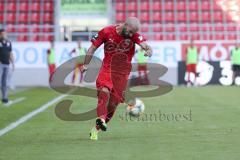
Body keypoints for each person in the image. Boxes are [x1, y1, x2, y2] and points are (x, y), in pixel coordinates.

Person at [80, 17, 152, 140]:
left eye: (132, 33)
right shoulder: (106, 32)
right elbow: (92, 48)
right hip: (107, 69)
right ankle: (101, 119)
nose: (130, 35)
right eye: (129, 31)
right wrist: (86, 64)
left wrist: (148, 50)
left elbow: (145, 45)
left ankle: (95, 130)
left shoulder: (134, 36)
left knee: (113, 105)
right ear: (125, 24)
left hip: (122, 74)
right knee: (104, 92)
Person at [0, 29, 14, 105]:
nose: (4, 35)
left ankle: (4, 98)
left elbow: (10, 53)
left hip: (7, 64)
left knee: (5, 82)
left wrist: (13, 63)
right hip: (0, 64)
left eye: (5, 34)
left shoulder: (9, 43)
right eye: (2, 34)